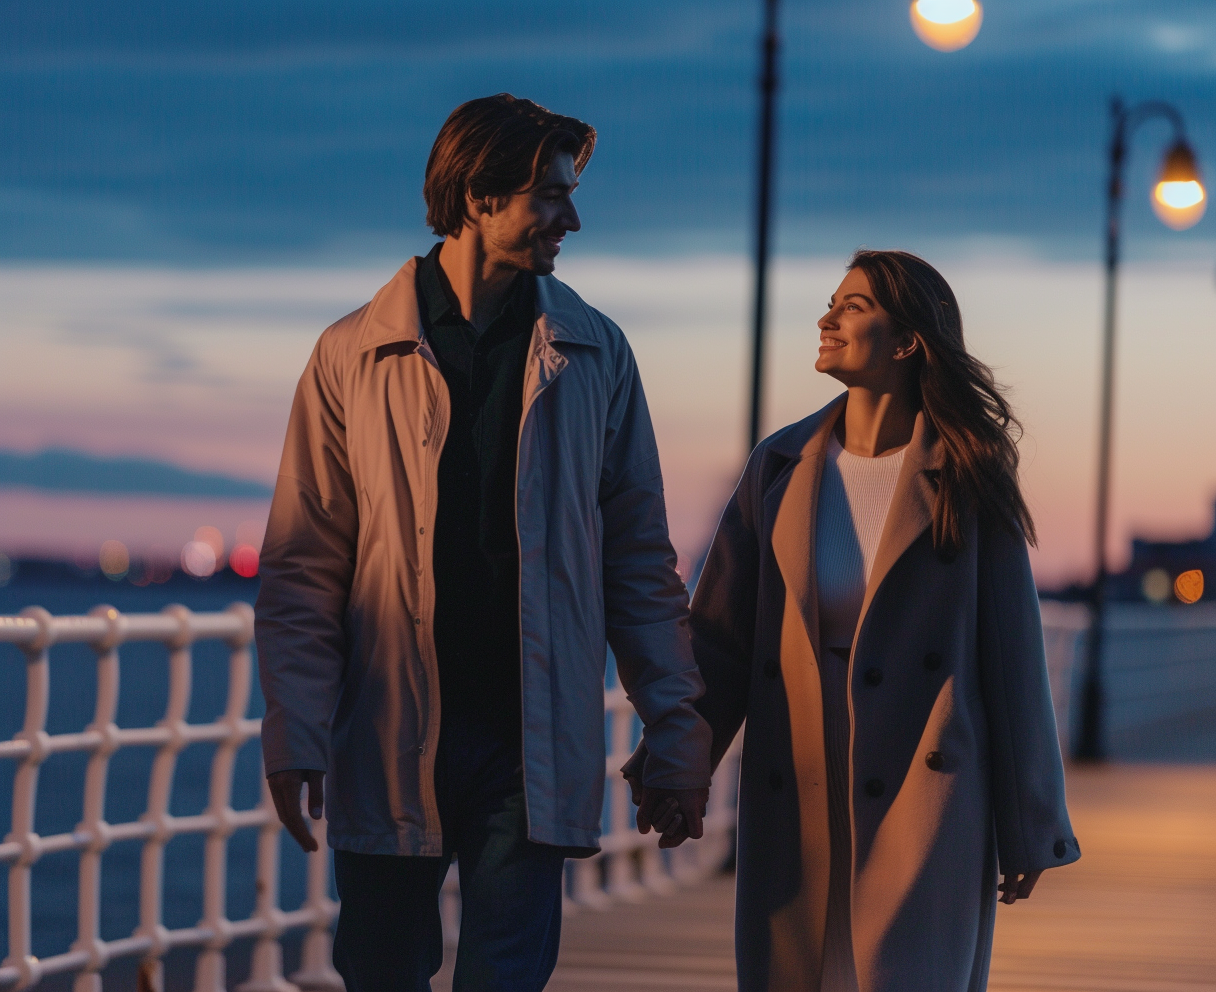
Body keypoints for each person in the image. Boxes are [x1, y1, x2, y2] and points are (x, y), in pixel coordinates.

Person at [255, 93, 711, 992]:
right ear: (477, 197)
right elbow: (306, 561)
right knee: (382, 971)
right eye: (549, 194)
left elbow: (637, 560)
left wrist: (678, 725)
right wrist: (295, 727)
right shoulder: (353, 353)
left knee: (506, 976)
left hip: (530, 736)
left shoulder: (596, 354)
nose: (570, 218)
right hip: (389, 728)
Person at [628, 249, 1080, 991]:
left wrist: (1030, 824)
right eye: (831, 302)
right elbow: (719, 640)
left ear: (907, 341)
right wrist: (678, 764)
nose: (826, 318)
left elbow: (1012, 660)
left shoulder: (967, 471)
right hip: (798, 769)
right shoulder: (779, 466)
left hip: (923, 786)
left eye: (854, 306)